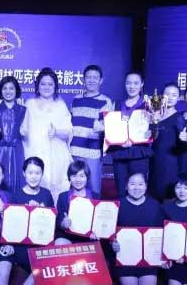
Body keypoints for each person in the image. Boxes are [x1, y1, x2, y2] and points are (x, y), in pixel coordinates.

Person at [110, 173, 163, 285]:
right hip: (125, 258)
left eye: (140, 184)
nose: (136, 187)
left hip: (149, 258)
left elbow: (162, 232)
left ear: (146, 186)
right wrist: (113, 243)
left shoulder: (155, 206)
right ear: (126, 186)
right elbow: (109, 233)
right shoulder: (117, 205)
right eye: (132, 184)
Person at [55, 160, 106, 285]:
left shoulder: (95, 196)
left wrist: (97, 231)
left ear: (87, 177)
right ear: (69, 178)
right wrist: (63, 223)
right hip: (68, 237)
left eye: (82, 176)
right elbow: (58, 221)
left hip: (87, 239)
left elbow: (101, 222)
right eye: (74, 175)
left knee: (92, 249)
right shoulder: (63, 197)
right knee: (60, 243)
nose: (78, 179)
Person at [7, 157, 54, 285]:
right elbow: (11, 225)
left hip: (41, 243)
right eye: (30, 173)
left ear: (42, 174)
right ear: (24, 174)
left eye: (37, 173)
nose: (34, 176)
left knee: (53, 259)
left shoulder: (46, 194)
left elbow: (52, 223)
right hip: (23, 246)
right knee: (44, 261)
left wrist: (42, 212)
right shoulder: (16, 196)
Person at [21, 68, 73, 202]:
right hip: (34, 151)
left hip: (57, 155)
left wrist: (56, 132)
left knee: (56, 189)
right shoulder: (30, 104)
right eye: (43, 84)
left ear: (55, 86)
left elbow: (68, 131)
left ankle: (55, 214)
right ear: (37, 86)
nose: (46, 87)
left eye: (50, 84)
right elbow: (23, 130)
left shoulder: (61, 105)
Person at [69, 65, 113, 197]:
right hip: (74, 152)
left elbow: (110, 129)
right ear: (83, 79)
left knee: (94, 190)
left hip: (92, 152)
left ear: (101, 80)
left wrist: (103, 128)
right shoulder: (76, 99)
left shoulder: (106, 101)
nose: (92, 80)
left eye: (95, 77)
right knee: (73, 190)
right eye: (89, 77)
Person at [108, 72, 151, 198]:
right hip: (120, 153)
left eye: (136, 83)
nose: (132, 86)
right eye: (128, 83)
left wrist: (150, 132)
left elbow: (153, 131)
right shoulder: (116, 104)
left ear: (142, 84)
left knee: (138, 191)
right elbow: (111, 128)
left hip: (139, 153)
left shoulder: (148, 105)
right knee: (121, 190)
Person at [0, 75, 26, 192]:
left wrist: (24, 132)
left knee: (16, 181)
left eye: (11, 88)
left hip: (16, 151)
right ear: (0, 91)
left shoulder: (24, 110)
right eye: (5, 88)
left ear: (16, 90)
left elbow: (26, 132)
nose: (8, 91)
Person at [149, 82, 180, 201]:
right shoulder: (155, 115)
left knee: (168, 196)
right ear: (161, 96)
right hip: (155, 159)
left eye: (174, 95)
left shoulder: (179, 117)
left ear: (178, 97)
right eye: (167, 94)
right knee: (154, 193)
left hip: (171, 163)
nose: (170, 97)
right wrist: (154, 122)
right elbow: (152, 138)